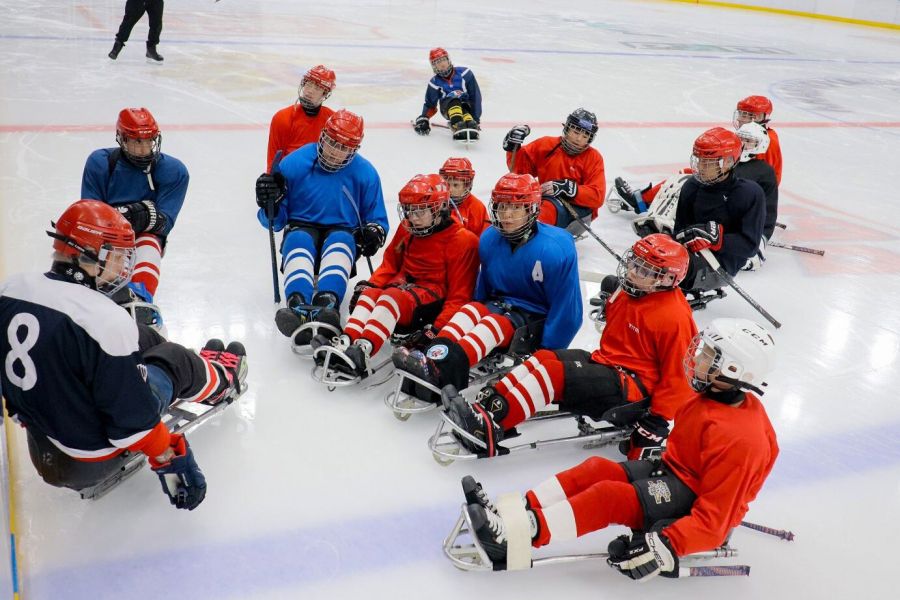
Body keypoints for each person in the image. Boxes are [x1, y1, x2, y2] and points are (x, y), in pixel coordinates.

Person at [461, 318, 778, 581]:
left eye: (709, 355)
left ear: (734, 372)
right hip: (676, 473)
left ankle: (518, 537)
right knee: (597, 469)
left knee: (610, 497)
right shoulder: (710, 398)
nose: (697, 358)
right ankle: (515, 512)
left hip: (693, 499)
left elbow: (714, 521)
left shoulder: (743, 440)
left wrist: (669, 543)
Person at [0, 200, 247, 510]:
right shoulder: (101, 319)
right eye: (117, 257)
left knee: (141, 336)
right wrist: (171, 461)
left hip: (43, 448)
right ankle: (223, 379)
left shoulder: (11, 290)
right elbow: (134, 425)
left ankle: (158, 361)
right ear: (90, 256)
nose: (122, 267)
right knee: (174, 358)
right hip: (88, 461)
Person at [445, 234, 697, 458]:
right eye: (634, 263)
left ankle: (487, 428)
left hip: (632, 388)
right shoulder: (630, 290)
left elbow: (681, 376)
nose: (632, 272)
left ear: (667, 279)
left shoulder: (674, 317)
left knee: (553, 375)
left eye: (643, 270)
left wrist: (658, 419)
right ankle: (488, 407)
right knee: (543, 358)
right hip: (607, 361)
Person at [397, 173, 582, 396]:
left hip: (532, 318)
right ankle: (432, 355)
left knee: (491, 324)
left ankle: (442, 368)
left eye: (516, 208)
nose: (506, 215)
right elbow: (482, 291)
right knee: (470, 310)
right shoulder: (489, 238)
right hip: (499, 305)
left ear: (531, 209)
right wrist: (478, 309)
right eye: (502, 207)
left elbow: (567, 311)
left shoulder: (557, 248)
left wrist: (548, 351)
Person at [311, 174, 480, 378]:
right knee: (370, 294)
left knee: (391, 297)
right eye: (409, 210)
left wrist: (436, 330)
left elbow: (459, 296)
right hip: (399, 290)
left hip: (428, 303)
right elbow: (390, 264)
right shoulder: (408, 227)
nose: (412, 217)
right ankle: (346, 341)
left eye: (420, 211)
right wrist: (371, 285)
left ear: (440, 208)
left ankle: (363, 351)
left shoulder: (463, 241)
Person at [255, 109, 389, 346]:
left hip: (342, 231)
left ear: (354, 149)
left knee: (342, 241)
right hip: (301, 227)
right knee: (299, 240)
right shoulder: (293, 164)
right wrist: (269, 203)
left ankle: (328, 304)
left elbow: (378, 220)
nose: (335, 152)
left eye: (344, 148)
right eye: (332, 143)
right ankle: (296, 304)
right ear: (323, 136)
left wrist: (373, 234)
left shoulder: (366, 173)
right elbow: (274, 223)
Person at [81, 107, 189, 306]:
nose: (145, 148)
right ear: (122, 139)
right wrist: (133, 216)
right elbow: (89, 216)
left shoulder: (175, 171)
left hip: (143, 236)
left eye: (149, 140)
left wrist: (127, 216)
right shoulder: (100, 163)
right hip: (105, 238)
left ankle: (139, 302)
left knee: (149, 241)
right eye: (138, 141)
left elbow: (164, 224)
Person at [673, 127, 765, 292]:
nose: (700, 167)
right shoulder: (691, 186)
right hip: (690, 256)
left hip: (721, 266)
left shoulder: (750, 193)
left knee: (669, 269)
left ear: (729, 162)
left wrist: (718, 240)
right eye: (699, 160)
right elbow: (679, 230)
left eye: (708, 163)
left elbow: (750, 246)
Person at [502, 109, 606, 230]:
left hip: (578, 211)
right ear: (567, 128)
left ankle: (528, 230)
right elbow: (519, 171)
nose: (579, 139)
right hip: (544, 201)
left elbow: (597, 196)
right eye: (576, 132)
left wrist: (570, 189)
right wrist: (513, 147)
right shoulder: (546, 144)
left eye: (585, 136)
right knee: (515, 197)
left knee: (547, 207)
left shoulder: (594, 158)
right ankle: (516, 227)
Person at [266, 65, 336, 171]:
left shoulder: (332, 121)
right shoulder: (282, 118)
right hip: (290, 179)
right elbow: (273, 161)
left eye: (317, 88)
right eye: (308, 84)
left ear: (325, 93)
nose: (309, 91)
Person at [412, 48, 483, 141]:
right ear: (434, 66)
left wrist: (476, 119)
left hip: (465, 106)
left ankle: (469, 123)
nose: (442, 64)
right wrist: (424, 118)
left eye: (443, 60)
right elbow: (430, 104)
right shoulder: (434, 82)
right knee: (454, 100)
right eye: (437, 62)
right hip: (447, 108)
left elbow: (475, 97)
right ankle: (457, 123)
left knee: (465, 108)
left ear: (448, 60)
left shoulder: (465, 73)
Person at [734, 122, 778, 271]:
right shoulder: (728, 162)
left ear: (761, 144)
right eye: (741, 139)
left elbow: (769, 208)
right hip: (727, 219)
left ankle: (756, 246)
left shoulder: (764, 171)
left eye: (749, 141)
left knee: (747, 259)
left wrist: (762, 235)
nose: (743, 144)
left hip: (752, 223)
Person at [733, 95, 782, 185]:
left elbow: (766, 175)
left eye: (745, 115)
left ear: (759, 118)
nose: (739, 119)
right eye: (740, 114)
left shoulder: (767, 141)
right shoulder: (748, 136)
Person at [439, 157, 490, 235]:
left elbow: (485, 238)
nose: (450, 190)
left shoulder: (477, 208)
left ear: (466, 186)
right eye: (447, 184)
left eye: (456, 185)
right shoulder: (436, 203)